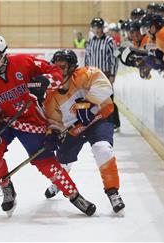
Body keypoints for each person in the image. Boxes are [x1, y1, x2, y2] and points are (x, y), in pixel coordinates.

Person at [0, 33, 96, 217]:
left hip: (31, 121)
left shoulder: (24, 62)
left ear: (0, 54)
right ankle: (6, 187)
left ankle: (74, 195)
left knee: (45, 161)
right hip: (4, 121)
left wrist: (44, 81)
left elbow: (55, 72)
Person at [41, 49, 125, 214]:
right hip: (76, 127)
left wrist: (88, 103)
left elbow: (105, 86)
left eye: (63, 67)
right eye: (56, 67)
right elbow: (54, 121)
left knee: (102, 148)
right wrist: (53, 134)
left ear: (72, 67)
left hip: (100, 119)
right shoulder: (51, 95)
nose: (59, 71)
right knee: (62, 158)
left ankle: (113, 192)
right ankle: (61, 182)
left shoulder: (86, 74)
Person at [85, 17, 120, 132]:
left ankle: (114, 123)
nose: (96, 30)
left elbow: (115, 58)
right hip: (93, 75)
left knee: (108, 98)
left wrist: (113, 75)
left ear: (102, 28)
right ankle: (98, 121)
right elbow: (87, 58)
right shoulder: (90, 42)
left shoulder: (109, 41)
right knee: (95, 99)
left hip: (105, 74)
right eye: (94, 27)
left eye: (98, 27)